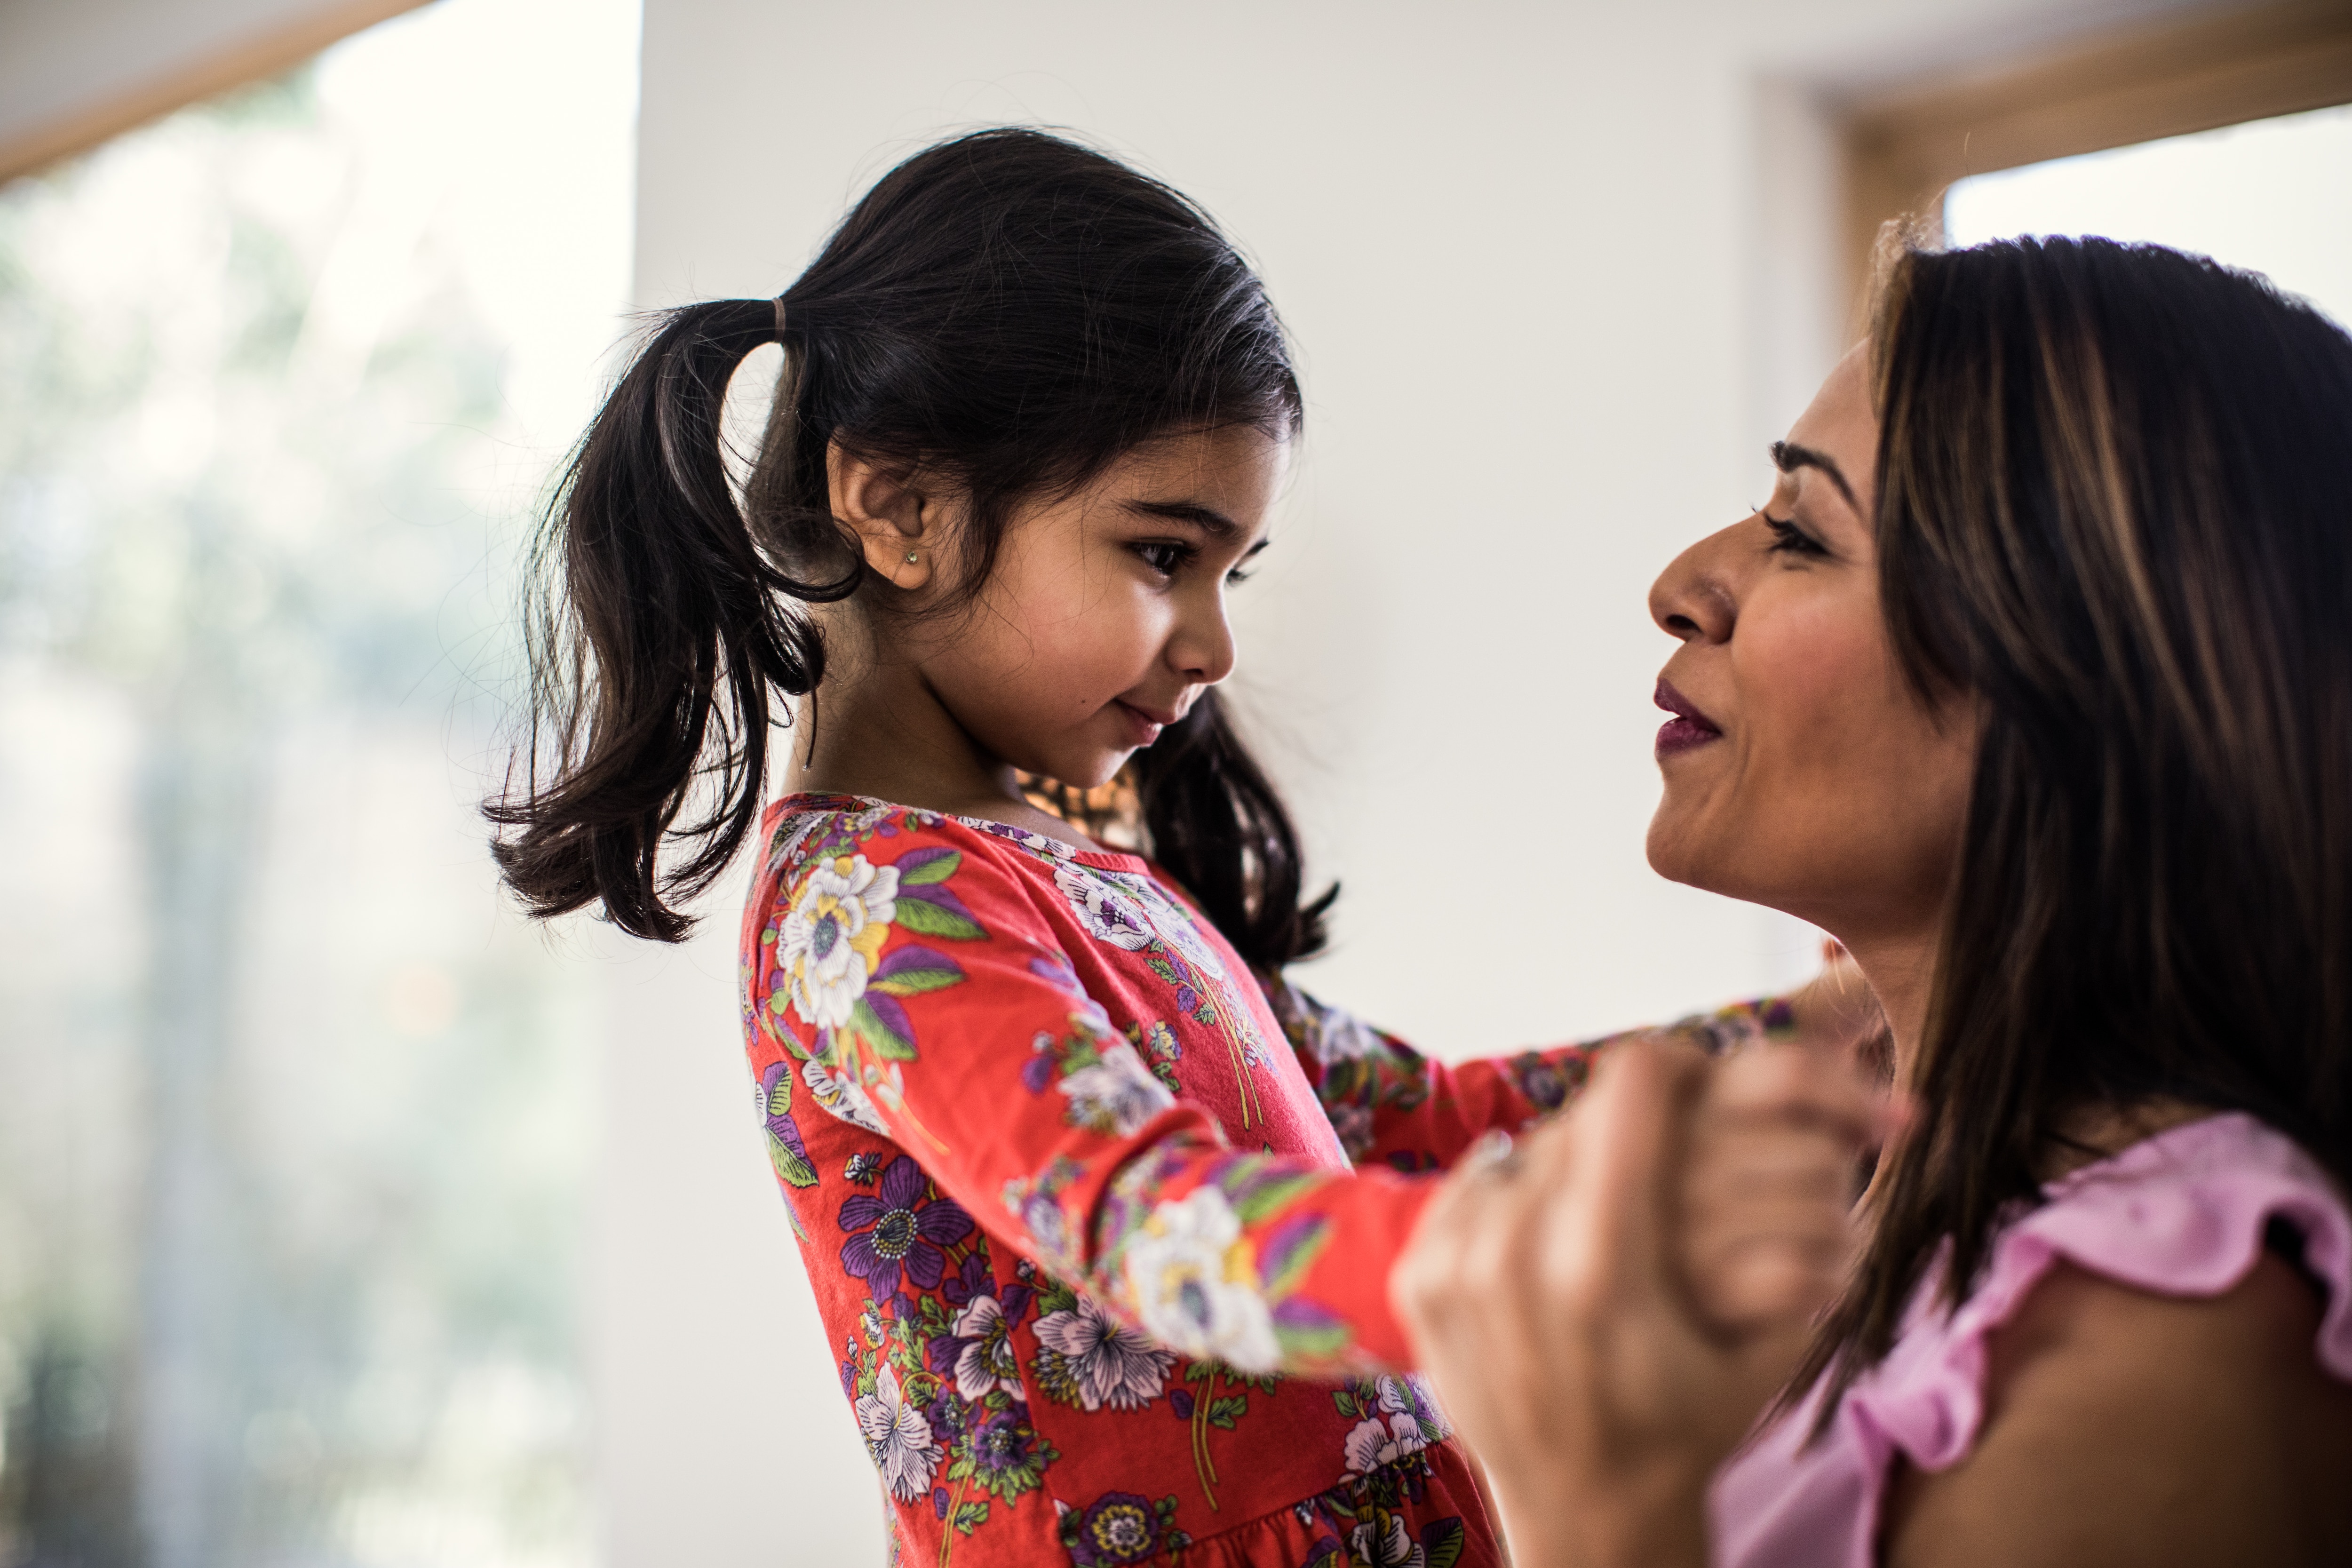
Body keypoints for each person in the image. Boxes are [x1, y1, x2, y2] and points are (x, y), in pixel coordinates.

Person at [485, 128, 1850, 1567]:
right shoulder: (870, 914)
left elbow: (1428, 1117)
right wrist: (1493, 1258)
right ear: (900, 509)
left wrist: (1815, 1029)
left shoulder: (1081, 869)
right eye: (1162, 555)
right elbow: (1148, 1222)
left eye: (1231, 572)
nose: (1211, 645)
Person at [1395, 235, 2352, 1568]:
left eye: (1800, 534)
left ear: (2065, 685)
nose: (1682, 586)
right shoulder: (1874, 1188)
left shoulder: (2166, 1342)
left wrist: (1590, 1509)